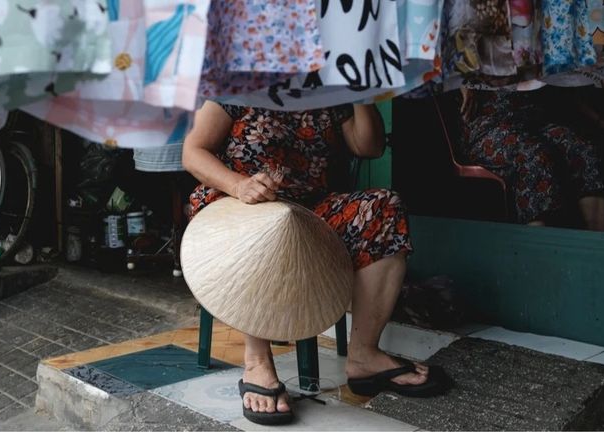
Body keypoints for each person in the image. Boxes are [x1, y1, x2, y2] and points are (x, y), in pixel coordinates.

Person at [182, 102, 448, 425]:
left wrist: (359, 90)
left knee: (384, 209)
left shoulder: (330, 89)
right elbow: (193, 152)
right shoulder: (242, 80)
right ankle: (257, 360)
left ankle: (364, 355)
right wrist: (240, 185)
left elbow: (370, 146)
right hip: (238, 206)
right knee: (271, 225)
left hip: (310, 215)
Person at [459, 87, 604, 231]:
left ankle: (598, 244)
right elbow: (453, 68)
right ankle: (540, 249)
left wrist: (600, 121)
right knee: (534, 155)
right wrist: (464, 87)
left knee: (581, 149)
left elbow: (568, 90)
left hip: (534, 122)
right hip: (491, 126)